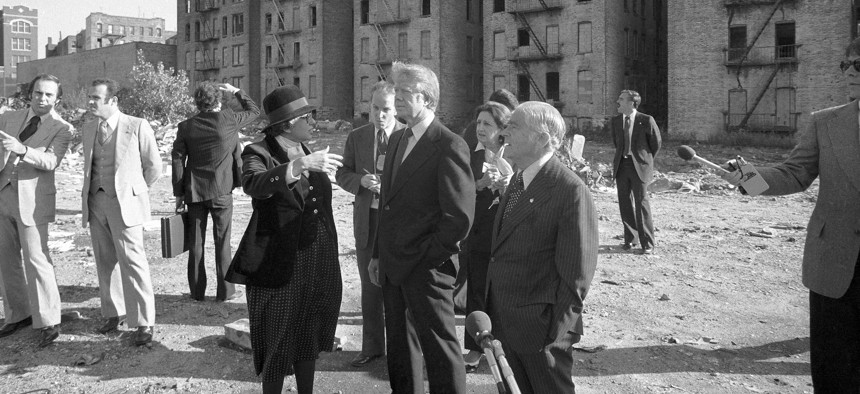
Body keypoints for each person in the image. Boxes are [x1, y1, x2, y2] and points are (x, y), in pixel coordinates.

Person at [719, 38, 860, 392]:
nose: (851, 72)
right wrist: (747, 179)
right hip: (836, 264)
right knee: (835, 370)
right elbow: (795, 173)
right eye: (848, 64)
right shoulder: (826, 123)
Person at [225, 85, 344, 394]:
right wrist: (298, 166)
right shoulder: (258, 151)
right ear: (290, 123)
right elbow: (253, 184)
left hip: (314, 254)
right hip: (278, 260)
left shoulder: (306, 149)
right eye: (309, 117)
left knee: (307, 328)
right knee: (278, 334)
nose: (315, 122)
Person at [368, 61, 475, 393]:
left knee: (440, 350)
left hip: (427, 269)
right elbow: (387, 205)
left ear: (427, 99)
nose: (397, 97)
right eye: (395, 90)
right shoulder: (399, 138)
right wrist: (377, 255)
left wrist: (427, 258)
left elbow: (459, 218)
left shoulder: (448, 144)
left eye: (405, 92)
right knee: (400, 349)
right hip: (392, 265)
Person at [488, 101, 599, 393]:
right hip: (507, 322)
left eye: (514, 126)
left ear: (542, 138)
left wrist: (552, 334)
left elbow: (577, 275)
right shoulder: (519, 179)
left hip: (540, 333)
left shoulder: (570, 190)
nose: (504, 132)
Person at [82, 78, 162, 346]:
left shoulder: (137, 126)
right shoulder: (89, 127)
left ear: (113, 101)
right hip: (96, 203)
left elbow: (154, 167)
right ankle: (112, 313)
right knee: (105, 262)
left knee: (133, 262)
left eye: (96, 98)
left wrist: (133, 192)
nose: (90, 102)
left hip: (125, 204)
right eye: (90, 98)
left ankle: (143, 322)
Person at [335, 80, 405, 368]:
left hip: (398, 222)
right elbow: (342, 173)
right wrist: (360, 182)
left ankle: (401, 351)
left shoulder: (408, 136)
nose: (380, 115)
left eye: (386, 109)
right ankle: (372, 347)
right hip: (368, 219)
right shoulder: (358, 137)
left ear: (396, 109)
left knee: (399, 287)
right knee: (370, 286)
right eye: (375, 108)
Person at [0, 74, 72, 347]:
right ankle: (18, 314)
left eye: (49, 95)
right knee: (5, 260)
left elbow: (51, 160)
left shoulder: (61, 128)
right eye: (38, 93)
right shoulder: (8, 117)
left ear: (57, 99)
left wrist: (22, 149)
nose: (42, 99)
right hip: (3, 195)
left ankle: (48, 320)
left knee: (37, 260)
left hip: (32, 201)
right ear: (30, 94)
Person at [172, 82, 259, 302]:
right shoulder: (228, 119)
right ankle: (226, 291)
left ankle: (197, 292)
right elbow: (255, 111)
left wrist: (179, 193)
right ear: (218, 102)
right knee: (223, 241)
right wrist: (237, 91)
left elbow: (178, 159)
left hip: (195, 192)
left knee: (196, 243)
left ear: (197, 103)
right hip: (221, 190)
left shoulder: (186, 127)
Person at [461, 101, 513, 372]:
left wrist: (508, 185)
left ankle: (505, 343)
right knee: (478, 289)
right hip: (479, 233)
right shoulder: (469, 155)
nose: (480, 128)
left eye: (487, 124)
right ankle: (474, 347)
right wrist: (479, 185)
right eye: (478, 123)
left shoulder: (515, 155)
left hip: (507, 234)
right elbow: (458, 194)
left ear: (502, 129)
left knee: (503, 288)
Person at [611, 90, 661, 254]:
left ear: (632, 103)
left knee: (641, 202)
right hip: (622, 166)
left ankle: (647, 243)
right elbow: (616, 143)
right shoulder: (616, 121)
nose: (617, 101)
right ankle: (630, 239)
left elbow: (656, 143)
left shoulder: (646, 120)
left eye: (621, 99)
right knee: (625, 203)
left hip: (639, 166)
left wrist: (643, 160)